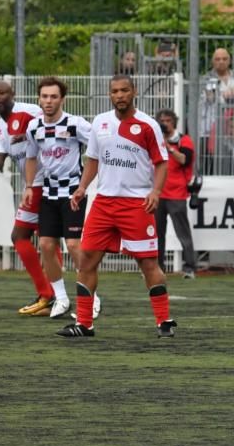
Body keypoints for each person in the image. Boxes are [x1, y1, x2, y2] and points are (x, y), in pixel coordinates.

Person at [63, 75, 177, 338]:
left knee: (148, 263)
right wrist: (82, 187)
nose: (119, 95)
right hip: (103, 203)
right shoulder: (100, 122)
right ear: (109, 94)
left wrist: (156, 192)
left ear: (133, 92)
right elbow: (93, 159)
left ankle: (164, 321)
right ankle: (84, 324)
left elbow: (161, 162)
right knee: (86, 260)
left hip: (137, 204)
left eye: (124, 90)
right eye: (115, 91)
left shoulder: (148, 125)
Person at [22, 77, 99, 320]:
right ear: (39, 99)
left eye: (54, 96)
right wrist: (28, 186)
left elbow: (96, 151)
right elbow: (31, 157)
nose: (49, 101)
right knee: (46, 244)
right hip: (48, 192)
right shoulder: (34, 127)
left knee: (74, 244)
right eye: (45, 96)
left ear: (62, 99)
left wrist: (83, 186)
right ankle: (62, 298)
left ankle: (91, 297)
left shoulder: (76, 124)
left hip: (73, 193)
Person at [0, 80, 54, 316]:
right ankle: (52, 295)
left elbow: (53, 127)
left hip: (47, 181)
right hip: (34, 186)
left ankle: (49, 295)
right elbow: (0, 157)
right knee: (46, 239)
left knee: (23, 236)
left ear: (12, 94)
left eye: (1, 93)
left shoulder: (30, 111)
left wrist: (28, 134)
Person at [155, 109, 198, 278]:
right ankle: (158, 268)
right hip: (158, 193)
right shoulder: (155, 140)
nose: (165, 124)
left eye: (168, 120)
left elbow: (185, 160)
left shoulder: (183, 140)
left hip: (177, 193)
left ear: (174, 122)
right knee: (157, 234)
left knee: (183, 232)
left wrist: (169, 148)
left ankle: (189, 267)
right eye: (162, 121)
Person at [200, 47, 234, 174]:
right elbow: (209, 97)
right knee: (210, 162)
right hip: (209, 128)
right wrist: (222, 95)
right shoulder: (206, 79)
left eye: (224, 59)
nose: (221, 62)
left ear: (230, 61)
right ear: (212, 61)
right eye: (217, 59)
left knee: (232, 162)